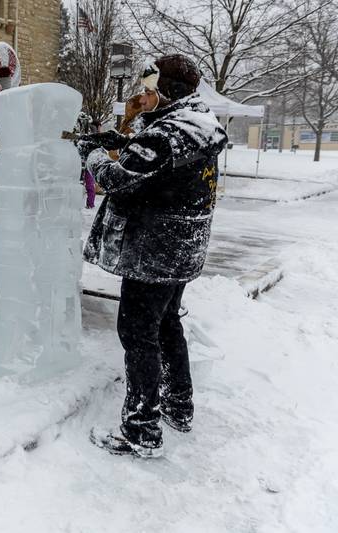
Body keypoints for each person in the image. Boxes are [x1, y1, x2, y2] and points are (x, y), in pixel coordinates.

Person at [76, 54, 228, 458]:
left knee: (138, 332)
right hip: (182, 247)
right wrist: (124, 141)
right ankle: (179, 405)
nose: (143, 96)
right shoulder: (198, 123)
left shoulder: (166, 134)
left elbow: (117, 179)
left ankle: (141, 429)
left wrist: (92, 154)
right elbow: (162, 160)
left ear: (168, 91)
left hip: (155, 251)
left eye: (149, 90)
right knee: (165, 325)